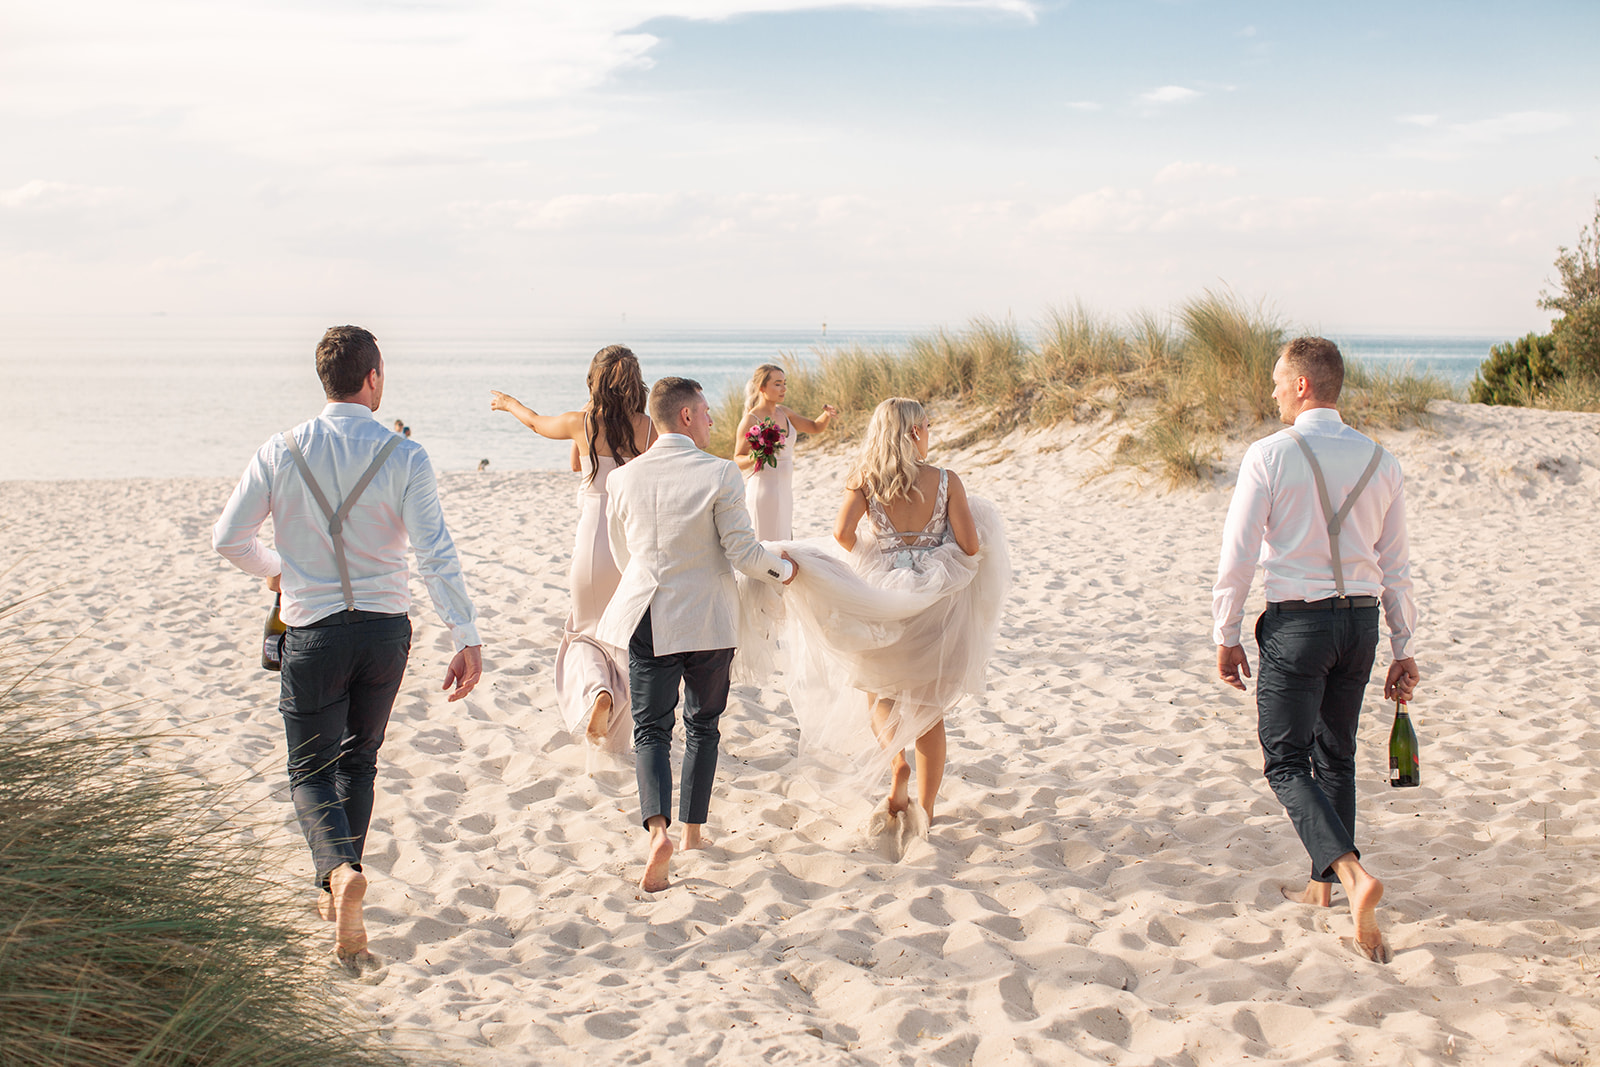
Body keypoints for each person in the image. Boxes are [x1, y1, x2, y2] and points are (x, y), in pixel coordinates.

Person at [213, 325, 483, 974]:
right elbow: (435, 551)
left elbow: (229, 537)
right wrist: (464, 633)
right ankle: (342, 883)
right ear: (373, 378)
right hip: (386, 630)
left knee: (309, 770)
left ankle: (336, 874)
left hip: (312, 631)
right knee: (359, 759)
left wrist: (277, 566)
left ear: (324, 379)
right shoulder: (404, 455)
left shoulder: (280, 451)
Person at [1212, 336, 1419, 964]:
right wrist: (1403, 645)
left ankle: (1353, 879)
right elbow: (1397, 567)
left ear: (1303, 384)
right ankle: (1322, 889)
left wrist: (1225, 633)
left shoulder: (1269, 455)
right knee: (1337, 755)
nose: (1272, 389)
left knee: (1283, 761)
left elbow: (1239, 553)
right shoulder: (1381, 459)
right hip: (1360, 626)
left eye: (1278, 379)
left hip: (1298, 625)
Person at [773, 398, 1010, 851]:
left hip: (881, 595)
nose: (930, 429)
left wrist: (879, 545)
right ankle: (928, 807)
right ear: (914, 431)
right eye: (926, 424)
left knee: (879, 691)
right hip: (932, 603)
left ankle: (895, 764)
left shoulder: (864, 478)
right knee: (929, 710)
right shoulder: (945, 480)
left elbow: (842, 536)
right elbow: (970, 543)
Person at [596, 377, 798, 892]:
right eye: (706, 411)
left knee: (650, 731)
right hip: (708, 618)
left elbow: (626, 557)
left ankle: (657, 831)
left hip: (647, 613)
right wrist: (787, 572)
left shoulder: (623, 480)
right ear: (685, 416)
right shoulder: (721, 473)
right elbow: (743, 555)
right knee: (704, 726)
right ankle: (691, 835)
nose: (711, 419)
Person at [489, 346, 653, 760]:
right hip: (630, 544)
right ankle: (614, 714)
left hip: (592, 541)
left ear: (594, 380)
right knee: (626, 636)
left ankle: (598, 691)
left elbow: (535, 424)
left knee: (584, 630)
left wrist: (509, 403)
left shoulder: (582, 423)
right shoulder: (649, 429)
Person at [733, 363, 838, 540]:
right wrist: (758, 454)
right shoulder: (751, 419)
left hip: (786, 490)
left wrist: (827, 415)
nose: (784, 388)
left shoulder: (785, 412)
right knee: (766, 545)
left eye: (784, 383)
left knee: (784, 544)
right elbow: (737, 459)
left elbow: (814, 427)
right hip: (763, 491)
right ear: (762, 388)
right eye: (777, 384)